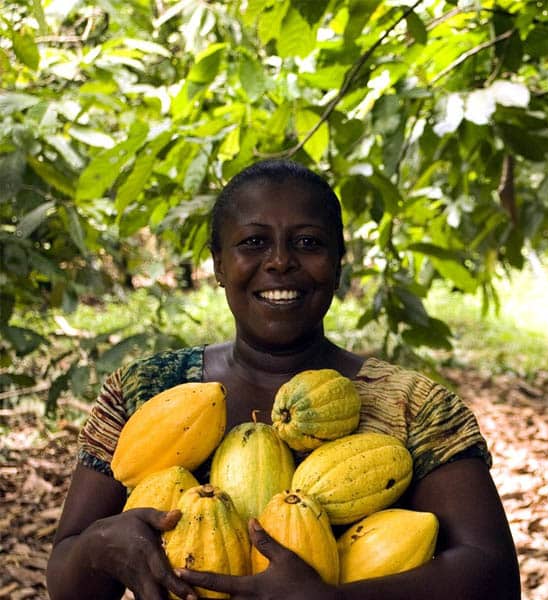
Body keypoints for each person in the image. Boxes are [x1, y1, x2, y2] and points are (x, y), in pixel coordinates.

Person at [46, 159, 521, 600]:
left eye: (308, 242)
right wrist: (98, 547)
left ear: (338, 263)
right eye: (253, 242)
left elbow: (493, 574)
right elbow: (65, 573)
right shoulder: (144, 389)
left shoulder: (414, 405)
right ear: (218, 264)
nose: (279, 262)